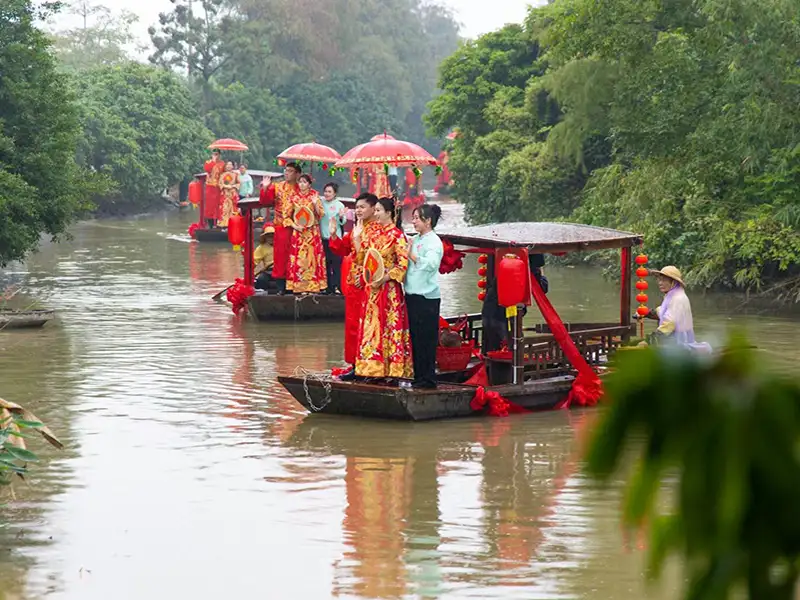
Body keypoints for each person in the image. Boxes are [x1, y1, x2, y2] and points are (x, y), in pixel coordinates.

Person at [354, 197, 413, 380]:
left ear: (389, 213)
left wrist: (384, 277)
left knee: (388, 327)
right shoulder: (371, 232)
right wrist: (357, 238)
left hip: (389, 290)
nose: (376, 214)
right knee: (372, 327)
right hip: (372, 289)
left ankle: (391, 371)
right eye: (376, 210)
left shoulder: (397, 235)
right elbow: (362, 259)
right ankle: (372, 368)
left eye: (379, 210)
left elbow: (403, 266)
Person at [329, 194, 378, 379]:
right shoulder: (356, 228)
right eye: (357, 207)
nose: (358, 210)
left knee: (368, 325)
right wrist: (334, 234)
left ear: (374, 209)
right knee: (351, 325)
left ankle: (370, 365)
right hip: (352, 285)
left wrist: (366, 279)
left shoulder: (377, 232)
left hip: (368, 285)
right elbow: (343, 249)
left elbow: (378, 260)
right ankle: (355, 364)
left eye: (363, 207)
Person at [405, 204, 444, 389]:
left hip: (427, 297)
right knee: (415, 338)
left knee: (426, 340)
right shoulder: (416, 239)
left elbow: (431, 264)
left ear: (428, 221)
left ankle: (428, 379)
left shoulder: (434, 241)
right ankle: (418, 376)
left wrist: (411, 255)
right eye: (413, 218)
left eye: (417, 218)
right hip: (412, 294)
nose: (413, 222)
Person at [481, 253, 548, 353]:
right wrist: (541, 274)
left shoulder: (505, 266)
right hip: (504, 316)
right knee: (507, 348)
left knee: (495, 347)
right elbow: (542, 288)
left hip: (492, 311)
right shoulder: (529, 269)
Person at [641, 266, 710, 351]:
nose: (660, 283)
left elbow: (669, 323)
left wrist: (650, 340)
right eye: (660, 280)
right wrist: (647, 313)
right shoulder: (673, 295)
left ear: (673, 282)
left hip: (678, 344)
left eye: (664, 280)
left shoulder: (678, 298)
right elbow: (663, 311)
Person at [259, 162, 301, 295]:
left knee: (298, 256)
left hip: (299, 228)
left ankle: (298, 285)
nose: (287, 173)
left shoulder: (302, 188)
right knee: (281, 256)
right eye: (286, 170)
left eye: (290, 171)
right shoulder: (277, 187)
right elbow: (265, 202)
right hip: (282, 227)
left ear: (297, 174)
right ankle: (281, 287)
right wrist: (265, 188)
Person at [285, 174, 326, 294]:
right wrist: (294, 226)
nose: (302, 184)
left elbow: (321, 214)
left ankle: (313, 286)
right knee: (299, 257)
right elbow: (286, 216)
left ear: (309, 184)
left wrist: (314, 204)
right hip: (299, 232)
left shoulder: (315, 196)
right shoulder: (293, 197)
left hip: (312, 231)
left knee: (312, 257)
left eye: (304, 182)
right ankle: (298, 286)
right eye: (300, 182)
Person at [320, 182, 347, 294]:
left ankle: (338, 287)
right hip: (323, 238)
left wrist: (341, 216)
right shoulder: (320, 203)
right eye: (325, 191)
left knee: (336, 264)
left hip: (335, 239)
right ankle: (328, 287)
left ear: (335, 193)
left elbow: (343, 221)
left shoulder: (339, 205)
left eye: (329, 191)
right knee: (325, 264)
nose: (327, 194)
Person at [203, 149, 225, 228]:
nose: (215, 155)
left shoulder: (222, 164)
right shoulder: (208, 162)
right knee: (210, 206)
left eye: (217, 154)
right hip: (210, 187)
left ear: (219, 155)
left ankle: (219, 223)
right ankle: (211, 225)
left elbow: (225, 174)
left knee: (219, 205)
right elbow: (207, 170)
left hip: (219, 187)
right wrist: (213, 161)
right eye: (214, 154)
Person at [218, 161, 240, 227]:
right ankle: (224, 223)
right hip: (225, 193)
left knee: (234, 208)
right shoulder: (222, 174)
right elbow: (219, 184)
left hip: (232, 193)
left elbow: (238, 183)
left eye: (230, 164)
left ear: (232, 166)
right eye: (227, 164)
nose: (229, 166)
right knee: (224, 208)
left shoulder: (236, 174)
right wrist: (225, 186)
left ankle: (233, 223)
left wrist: (233, 186)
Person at [253, 227, 275, 291]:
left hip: (281, 270)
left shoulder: (282, 244)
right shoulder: (261, 248)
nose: (270, 238)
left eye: (272, 236)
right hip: (268, 270)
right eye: (268, 236)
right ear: (265, 237)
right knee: (261, 280)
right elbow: (254, 261)